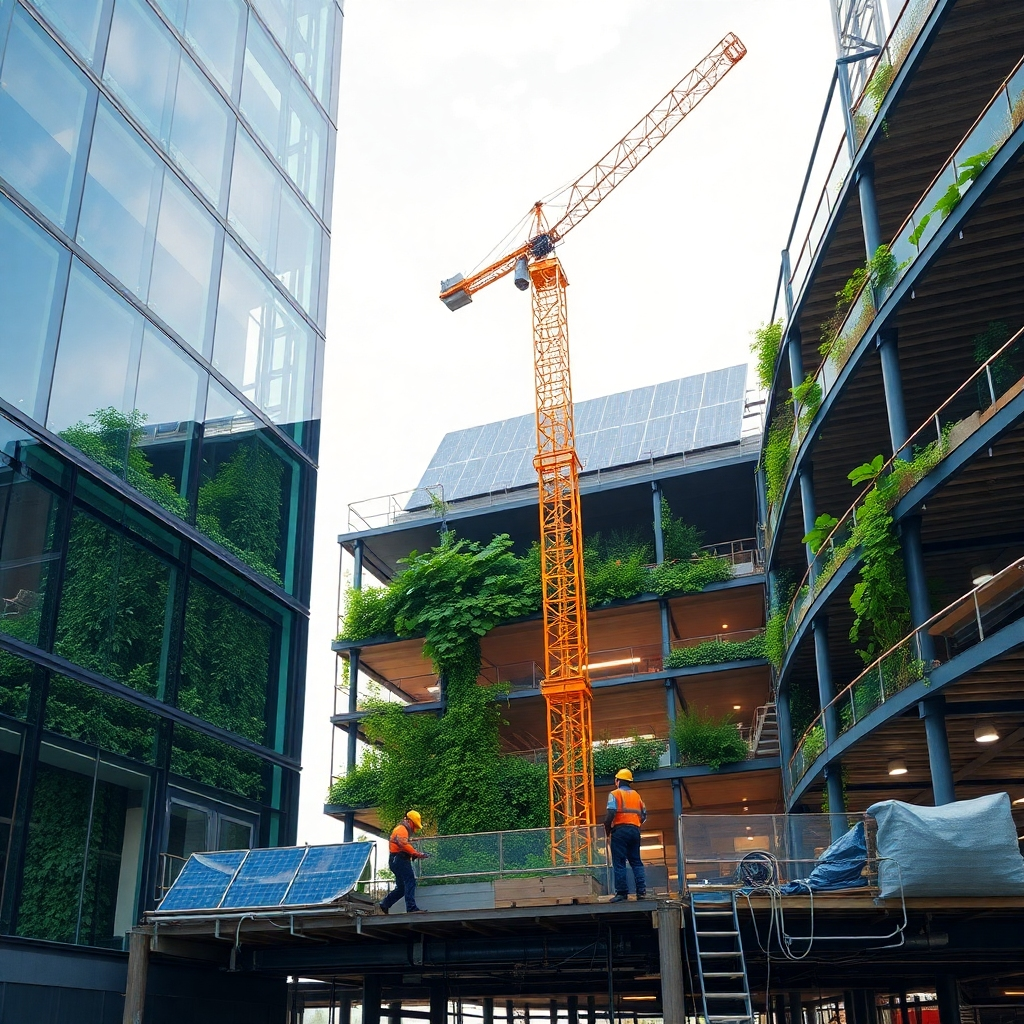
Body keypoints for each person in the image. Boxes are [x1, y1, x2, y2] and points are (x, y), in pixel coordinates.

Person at [604, 769, 647, 902]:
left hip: (620, 830)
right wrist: (634, 824)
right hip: (634, 830)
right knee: (636, 861)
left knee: (619, 862)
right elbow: (644, 815)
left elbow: (611, 813)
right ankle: (641, 892)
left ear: (617, 781)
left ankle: (622, 893)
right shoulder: (637, 795)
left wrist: (607, 829)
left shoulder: (614, 794)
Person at [379, 810, 430, 914]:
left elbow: (403, 845)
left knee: (402, 887)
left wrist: (413, 854)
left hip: (395, 860)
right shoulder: (401, 829)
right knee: (410, 881)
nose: (414, 829)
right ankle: (411, 908)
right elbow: (403, 844)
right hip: (400, 860)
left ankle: (385, 904)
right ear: (410, 821)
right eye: (414, 825)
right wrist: (416, 853)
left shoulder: (402, 830)